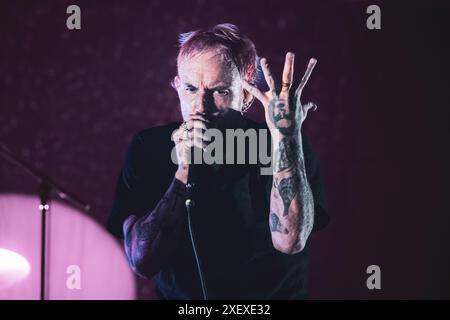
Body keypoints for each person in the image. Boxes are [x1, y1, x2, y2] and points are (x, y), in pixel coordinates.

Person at [107, 23, 329, 299]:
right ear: (176, 85)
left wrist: (285, 136)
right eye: (190, 88)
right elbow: (142, 260)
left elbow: (290, 240)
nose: (201, 106)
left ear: (246, 95)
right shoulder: (149, 147)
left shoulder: (280, 143)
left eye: (219, 91)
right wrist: (184, 168)